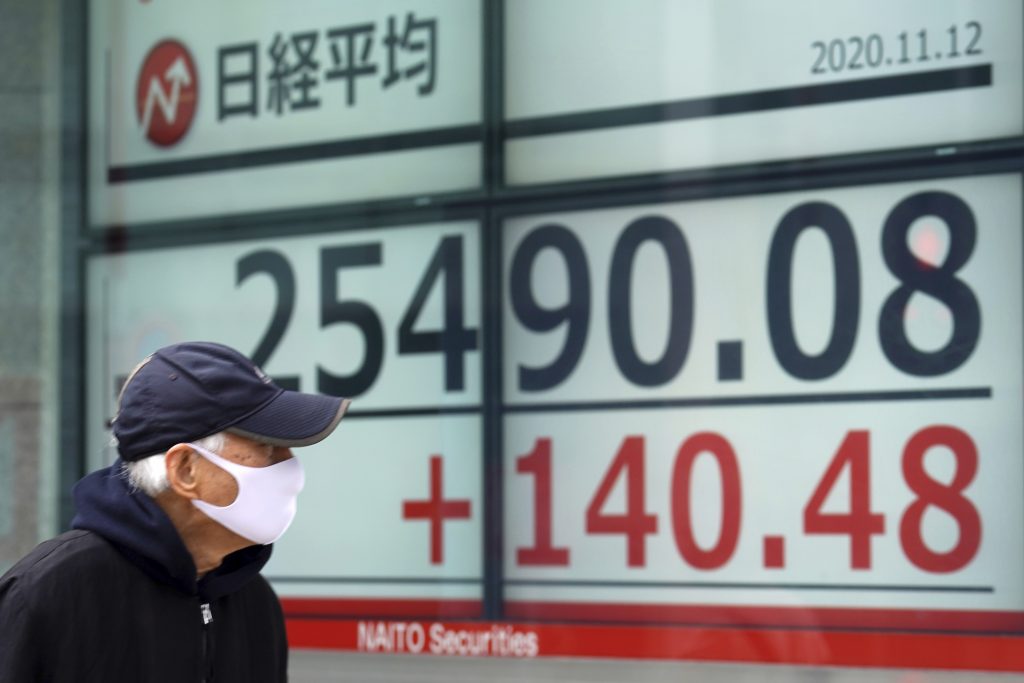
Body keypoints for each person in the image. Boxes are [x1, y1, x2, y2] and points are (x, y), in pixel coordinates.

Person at [0, 341, 350, 682]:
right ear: (185, 470)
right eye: (267, 448)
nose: (291, 468)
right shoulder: (47, 596)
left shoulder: (255, 603)